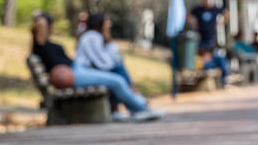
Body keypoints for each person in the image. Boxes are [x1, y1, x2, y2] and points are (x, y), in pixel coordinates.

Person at [33, 12, 163, 122]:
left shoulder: (48, 45)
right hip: (73, 74)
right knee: (117, 80)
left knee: (117, 76)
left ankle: (136, 107)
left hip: (76, 70)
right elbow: (103, 62)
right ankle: (141, 108)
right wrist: (40, 23)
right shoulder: (41, 47)